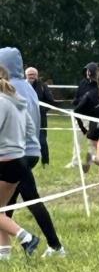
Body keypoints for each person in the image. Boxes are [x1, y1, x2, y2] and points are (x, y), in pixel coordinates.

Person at [0, 47, 65, 255]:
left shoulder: (10, 89)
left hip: (17, 152)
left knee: (31, 199)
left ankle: (53, 245)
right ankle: (5, 251)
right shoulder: (27, 87)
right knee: (5, 205)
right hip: (30, 149)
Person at [0, 66, 42, 259]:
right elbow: (30, 130)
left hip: (4, 162)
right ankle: (4, 255)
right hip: (19, 162)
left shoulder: (1, 102)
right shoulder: (17, 101)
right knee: (1, 212)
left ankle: (25, 237)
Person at [24, 66, 55, 164]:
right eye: (29, 75)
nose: (31, 76)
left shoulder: (43, 86)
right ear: (26, 76)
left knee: (42, 141)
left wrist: (41, 110)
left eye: (34, 75)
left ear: (37, 76)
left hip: (40, 119)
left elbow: (50, 101)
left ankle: (45, 161)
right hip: (25, 119)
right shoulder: (22, 86)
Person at [72, 61, 99, 167]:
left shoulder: (98, 85)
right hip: (80, 116)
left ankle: (91, 161)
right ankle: (75, 162)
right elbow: (77, 97)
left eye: (89, 71)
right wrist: (78, 100)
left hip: (92, 117)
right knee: (77, 140)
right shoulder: (83, 83)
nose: (88, 72)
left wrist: (84, 100)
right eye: (87, 70)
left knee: (92, 141)